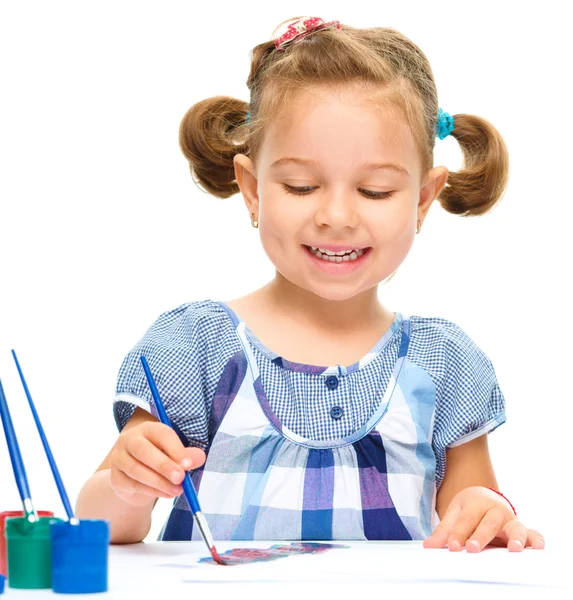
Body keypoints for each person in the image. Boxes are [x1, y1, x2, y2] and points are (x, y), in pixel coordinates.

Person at [76, 16, 544, 553]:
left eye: (374, 190)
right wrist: (127, 485)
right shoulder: (194, 348)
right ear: (251, 189)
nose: (337, 216)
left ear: (422, 199)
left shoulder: (444, 363)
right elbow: (102, 526)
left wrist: (493, 513)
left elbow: (475, 521)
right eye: (301, 186)